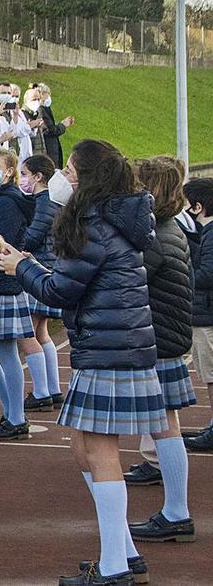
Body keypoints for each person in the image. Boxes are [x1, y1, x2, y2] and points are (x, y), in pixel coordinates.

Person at [0, 139, 167, 586]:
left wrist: (22, 268)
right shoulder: (119, 217)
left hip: (108, 347)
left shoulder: (93, 225)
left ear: (86, 177)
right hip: (121, 343)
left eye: (69, 171)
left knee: (101, 451)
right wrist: (32, 264)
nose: (62, 179)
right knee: (83, 446)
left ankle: (115, 566)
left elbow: (61, 292)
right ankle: (123, 552)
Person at [120, 157, 196, 546]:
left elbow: (126, 280)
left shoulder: (156, 235)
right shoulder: (168, 229)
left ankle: (177, 512)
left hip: (158, 341)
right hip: (166, 336)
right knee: (165, 427)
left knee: (166, 427)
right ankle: (175, 510)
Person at [0, 148, 38, 440]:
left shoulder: (6, 203)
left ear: (9, 170)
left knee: (3, 351)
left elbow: (3, 243)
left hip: (1, 281)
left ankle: (15, 415)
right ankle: (12, 413)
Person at [20, 155, 64, 411]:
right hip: (49, 264)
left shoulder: (44, 201)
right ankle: (53, 387)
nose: (21, 179)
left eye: (24, 174)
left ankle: (41, 391)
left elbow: (33, 236)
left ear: (38, 177)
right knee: (41, 332)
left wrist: (12, 243)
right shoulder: (50, 200)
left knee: (28, 332)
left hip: (40, 266)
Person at [182, 177, 213, 452]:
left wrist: (182, 271)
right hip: (205, 312)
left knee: (212, 376)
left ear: (198, 206)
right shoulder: (207, 232)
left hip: (207, 315)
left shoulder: (211, 232)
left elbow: (207, 274)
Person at [33, 83, 74, 167]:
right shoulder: (40, 109)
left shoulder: (44, 108)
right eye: (48, 94)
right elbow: (50, 130)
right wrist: (63, 125)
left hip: (51, 148)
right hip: (48, 149)